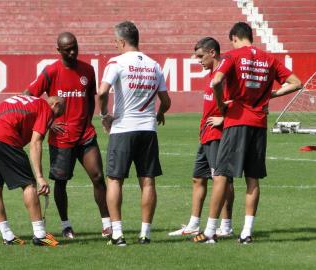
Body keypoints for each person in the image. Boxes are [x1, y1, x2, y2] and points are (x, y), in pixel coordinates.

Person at [193, 22, 302, 244]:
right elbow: (296, 83)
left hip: (236, 120)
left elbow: (216, 81)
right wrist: (269, 95)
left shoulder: (231, 57)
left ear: (234, 38)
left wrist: (222, 104)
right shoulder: (269, 59)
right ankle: (246, 232)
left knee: (222, 175)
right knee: (253, 179)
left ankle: (211, 231)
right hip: (259, 123)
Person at [24, 32, 111, 239]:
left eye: (75, 47)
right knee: (61, 182)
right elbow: (28, 96)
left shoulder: (88, 70)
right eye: (67, 49)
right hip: (61, 138)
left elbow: (91, 98)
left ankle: (107, 224)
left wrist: (87, 119)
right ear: (59, 51)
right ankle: (66, 225)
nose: (73, 52)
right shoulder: (51, 71)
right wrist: (49, 121)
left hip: (86, 135)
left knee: (98, 177)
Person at [98, 21, 171, 246]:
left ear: (121, 41)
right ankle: (145, 234)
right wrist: (159, 114)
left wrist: (104, 115)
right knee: (147, 181)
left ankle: (118, 234)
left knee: (114, 180)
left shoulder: (116, 62)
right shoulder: (154, 65)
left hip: (123, 128)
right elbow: (166, 101)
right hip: (148, 129)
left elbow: (101, 92)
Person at [0, 95, 65, 246]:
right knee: (29, 184)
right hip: (4, 136)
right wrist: (40, 176)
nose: (54, 118)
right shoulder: (45, 108)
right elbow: (35, 142)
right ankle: (40, 235)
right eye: (57, 114)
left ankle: (7, 236)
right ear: (55, 104)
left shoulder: (27, 100)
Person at [168, 37, 234, 238]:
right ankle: (194, 224)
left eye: (200, 56)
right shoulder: (212, 75)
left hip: (217, 136)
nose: (197, 60)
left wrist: (223, 118)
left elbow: (240, 99)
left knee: (222, 180)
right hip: (205, 134)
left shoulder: (225, 76)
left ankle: (226, 226)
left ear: (212, 53)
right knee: (198, 178)